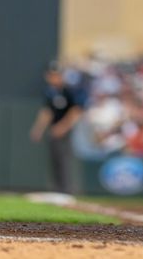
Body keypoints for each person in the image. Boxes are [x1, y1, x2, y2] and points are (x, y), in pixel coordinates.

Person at [29, 61, 85, 195]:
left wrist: (62, 127)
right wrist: (38, 129)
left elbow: (76, 111)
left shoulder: (69, 90)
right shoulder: (49, 92)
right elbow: (47, 112)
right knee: (55, 159)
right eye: (52, 75)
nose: (54, 78)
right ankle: (58, 188)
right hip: (54, 130)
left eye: (57, 75)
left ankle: (68, 189)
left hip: (67, 130)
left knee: (65, 159)